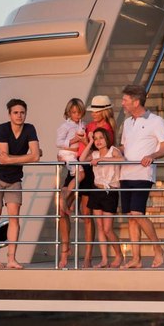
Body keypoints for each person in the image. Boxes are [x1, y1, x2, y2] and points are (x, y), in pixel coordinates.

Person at [0, 98, 40, 269]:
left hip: (15, 178)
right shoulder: (2, 129)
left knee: (14, 218)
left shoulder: (30, 129)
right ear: (9, 114)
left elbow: (35, 156)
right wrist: (28, 157)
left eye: (22, 112)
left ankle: (11, 259)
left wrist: (14, 159)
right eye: (15, 112)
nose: (19, 115)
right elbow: (3, 158)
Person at [119, 84, 164, 269]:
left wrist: (152, 156)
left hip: (143, 174)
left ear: (136, 101)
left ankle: (158, 249)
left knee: (137, 213)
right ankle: (136, 259)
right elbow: (125, 147)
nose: (122, 103)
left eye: (125, 100)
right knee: (131, 217)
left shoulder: (156, 121)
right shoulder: (126, 123)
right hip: (125, 173)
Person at [66, 95, 118, 268]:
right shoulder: (89, 126)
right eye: (92, 111)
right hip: (84, 163)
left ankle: (91, 256)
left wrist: (86, 141)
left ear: (104, 111)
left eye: (96, 111)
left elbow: (105, 149)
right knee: (68, 208)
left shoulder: (107, 130)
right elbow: (83, 149)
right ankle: (66, 250)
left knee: (94, 219)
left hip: (94, 172)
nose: (93, 114)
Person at [81, 128, 124, 269]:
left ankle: (119, 254)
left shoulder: (113, 150)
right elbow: (81, 159)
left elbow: (122, 159)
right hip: (96, 190)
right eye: (96, 138)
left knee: (107, 229)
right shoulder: (94, 153)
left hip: (109, 191)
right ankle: (104, 259)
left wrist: (101, 159)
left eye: (101, 138)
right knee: (99, 227)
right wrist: (90, 142)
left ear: (107, 138)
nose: (98, 141)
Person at [55, 98, 86, 269]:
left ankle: (64, 196)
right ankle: (65, 252)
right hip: (71, 159)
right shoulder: (65, 126)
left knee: (80, 176)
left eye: (78, 112)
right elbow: (59, 143)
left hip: (82, 163)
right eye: (73, 112)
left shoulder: (84, 125)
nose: (76, 115)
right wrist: (73, 143)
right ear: (68, 113)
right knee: (62, 212)